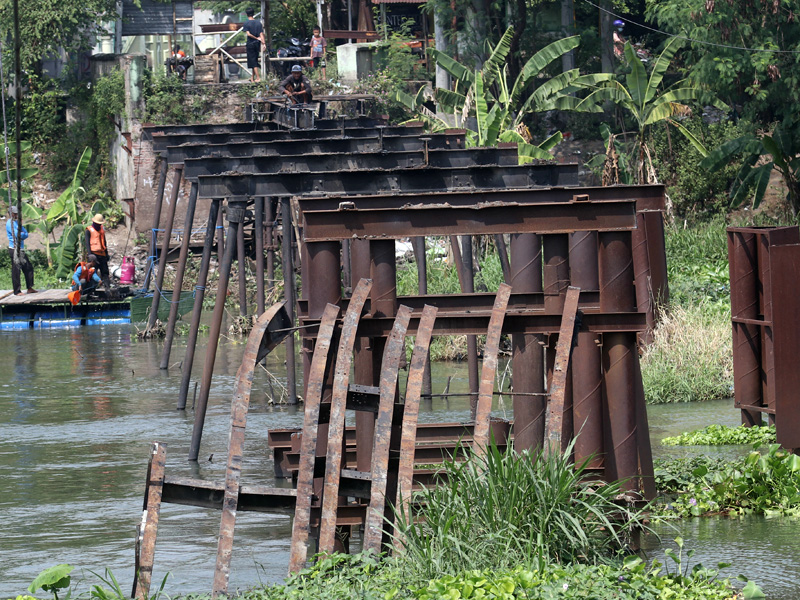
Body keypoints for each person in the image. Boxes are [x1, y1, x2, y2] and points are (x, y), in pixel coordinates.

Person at [6, 205, 36, 295]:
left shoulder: (17, 223)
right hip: (14, 249)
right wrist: (22, 234)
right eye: (15, 213)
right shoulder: (9, 223)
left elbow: (25, 234)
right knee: (16, 270)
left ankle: (29, 287)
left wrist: (22, 234)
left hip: (21, 249)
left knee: (28, 267)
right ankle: (17, 291)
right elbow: (19, 235)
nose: (17, 215)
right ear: (11, 214)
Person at [85, 213, 111, 291]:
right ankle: (91, 290)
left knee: (105, 272)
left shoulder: (102, 229)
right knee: (92, 272)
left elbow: (104, 242)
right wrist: (90, 255)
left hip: (102, 254)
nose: (98, 225)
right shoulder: (88, 230)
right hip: (93, 255)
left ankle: (107, 289)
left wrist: (106, 254)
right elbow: (87, 243)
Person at [242, 7, 266, 83]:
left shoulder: (246, 23)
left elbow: (248, 34)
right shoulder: (258, 23)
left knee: (253, 61)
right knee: (254, 60)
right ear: (253, 13)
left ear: (247, 14)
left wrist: (256, 38)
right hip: (257, 44)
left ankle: (258, 78)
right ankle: (252, 77)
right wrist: (263, 43)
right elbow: (261, 34)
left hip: (250, 44)